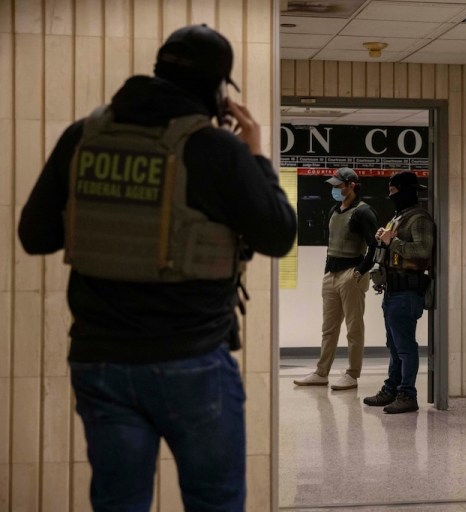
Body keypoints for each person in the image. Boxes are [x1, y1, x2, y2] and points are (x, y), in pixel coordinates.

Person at [17, 24, 297, 511]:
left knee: (118, 503)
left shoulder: (82, 136)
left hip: (99, 358)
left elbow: (35, 236)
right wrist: (253, 153)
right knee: (214, 502)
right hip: (192, 360)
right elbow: (277, 235)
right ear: (218, 92)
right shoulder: (215, 149)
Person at [294, 167, 378, 390]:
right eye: (333, 186)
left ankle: (352, 374)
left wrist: (359, 272)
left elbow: (375, 246)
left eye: (338, 186)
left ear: (351, 185)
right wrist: (327, 272)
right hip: (331, 274)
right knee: (328, 328)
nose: (334, 189)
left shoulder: (363, 212)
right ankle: (322, 372)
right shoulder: (334, 210)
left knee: (354, 328)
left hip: (352, 274)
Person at [363, 171, 434, 414]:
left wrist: (392, 241)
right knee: (393, 346)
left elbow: (423, 251)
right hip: (393, 291)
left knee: (405, 347)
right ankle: (392, 388)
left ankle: (407, 394)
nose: (390, 195)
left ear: (405, 191)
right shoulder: (400, 217)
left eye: (393, 191)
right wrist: (384, 240)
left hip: (407, 292)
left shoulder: (420, 219)